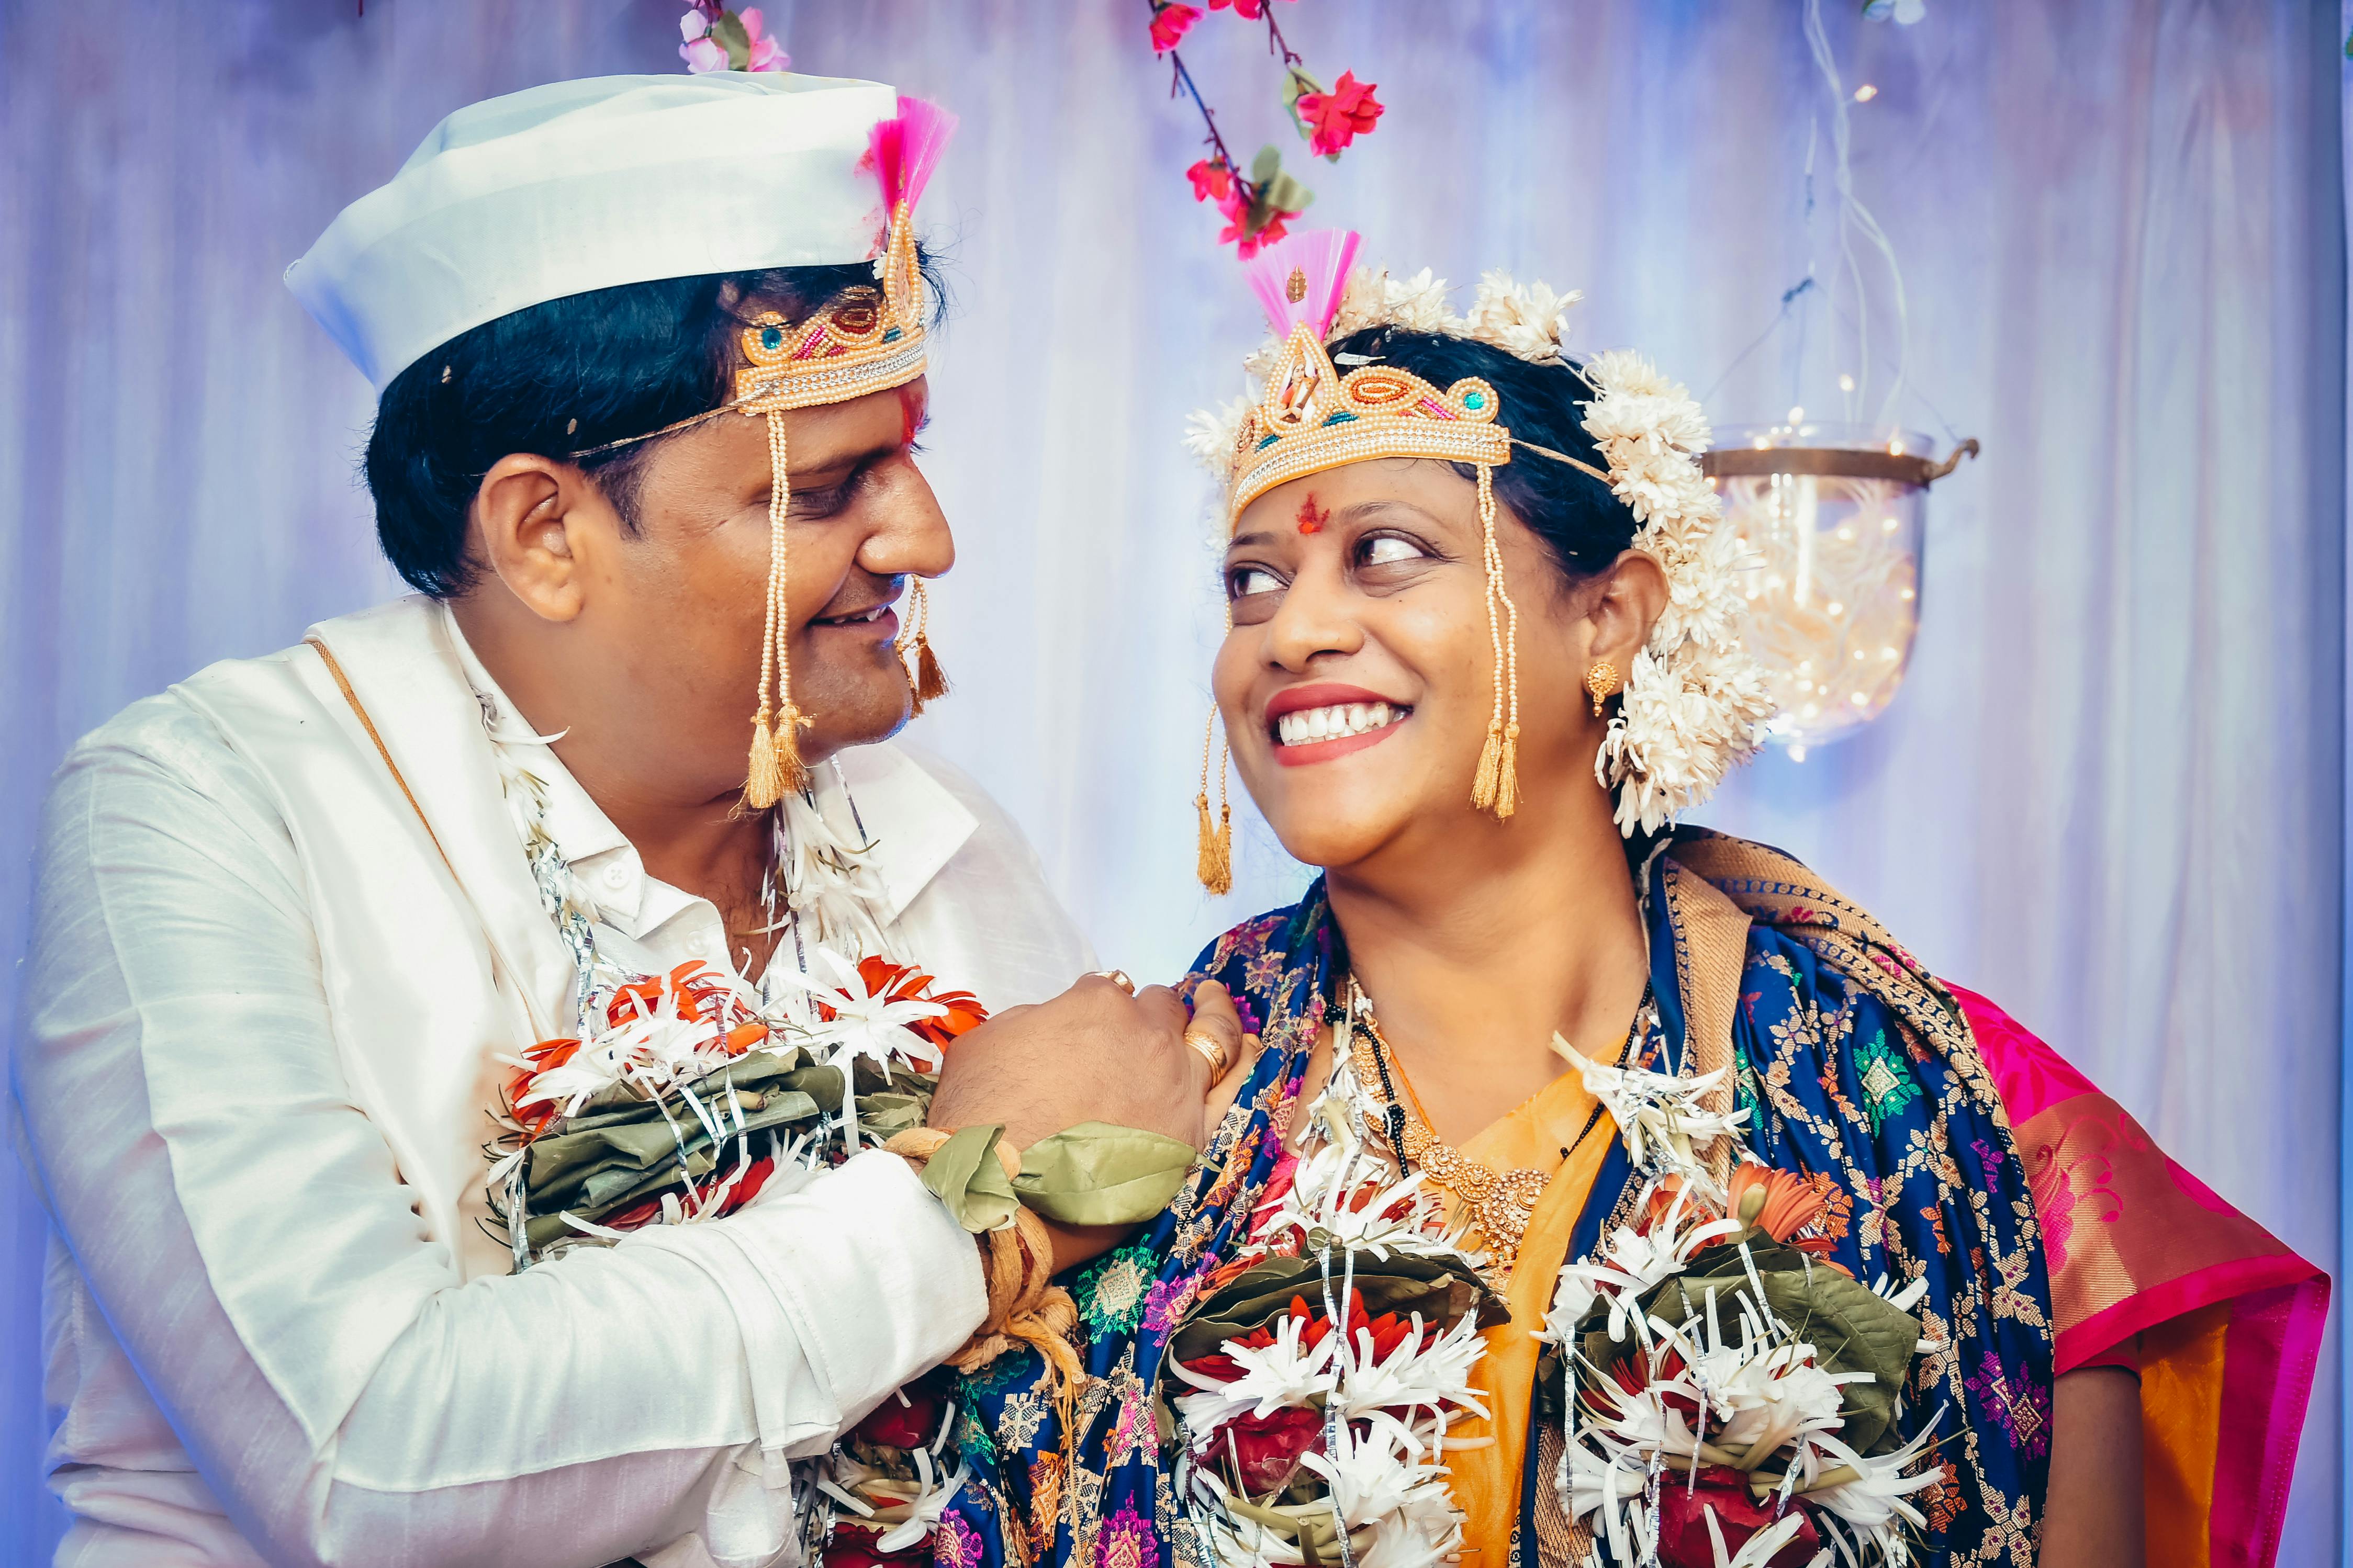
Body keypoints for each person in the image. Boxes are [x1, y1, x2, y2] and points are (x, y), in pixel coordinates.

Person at [938, 231, 2326, 1568]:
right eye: (1254, 581)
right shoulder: (1142, 1101)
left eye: (1386, 554)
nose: (1292, 631)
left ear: (1606, 619)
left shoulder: (1941, 1104)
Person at [12, 72, 1245, 1568]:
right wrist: (962, 1208)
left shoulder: (936, 836)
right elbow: (366, 1459)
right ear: (545, 533)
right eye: (831, 484)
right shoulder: (210, 809)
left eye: (910, 459)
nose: (926, 537)